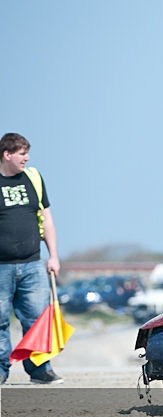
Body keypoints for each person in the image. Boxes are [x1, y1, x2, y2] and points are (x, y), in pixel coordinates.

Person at [0, 132, 64, 384]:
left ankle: (40, 369)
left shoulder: (33, 178)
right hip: (1, 267)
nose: (26, 158)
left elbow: (47, 219)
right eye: (22, 153)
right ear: (7, 154)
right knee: (0, 322)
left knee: (37, 320)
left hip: (32, 263)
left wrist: (53, 256)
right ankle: (1, 370)